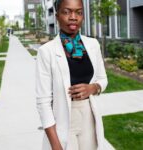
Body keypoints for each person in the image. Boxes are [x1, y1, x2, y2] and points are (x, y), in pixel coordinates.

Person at [36, 0, 108, 150]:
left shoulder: (93, 45)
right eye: (67, 12)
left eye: (79, 12)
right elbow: (43, 102)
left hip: (89, 115)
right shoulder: (46, 52)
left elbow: (103, 79)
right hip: (63, 119)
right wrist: (55, 145)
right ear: (57, 16)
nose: (73, 17)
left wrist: (93, 88)